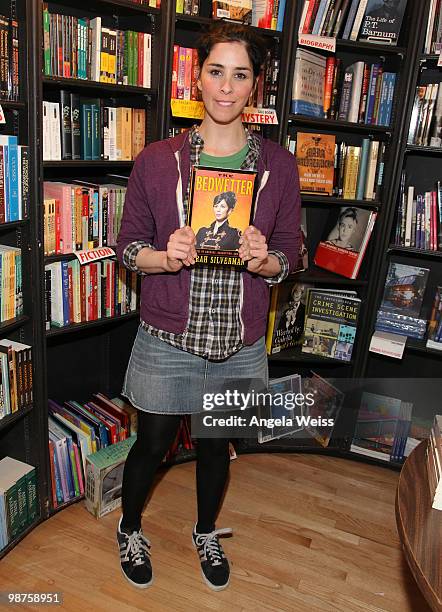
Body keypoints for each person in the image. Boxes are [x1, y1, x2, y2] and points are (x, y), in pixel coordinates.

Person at [115, 21, 301, 592]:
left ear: (256, 87)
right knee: (151, 445)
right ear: (198, 78)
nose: (226, 87)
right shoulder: (156, 160)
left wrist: (265, 260)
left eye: (240, 75)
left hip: (237, 344)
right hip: (169, 337)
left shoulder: (278, 166)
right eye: (216, 71)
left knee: (217, 446)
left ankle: (204, 530)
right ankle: (128, 525)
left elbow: (293, 256)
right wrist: (162, 257)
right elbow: (128, 248)